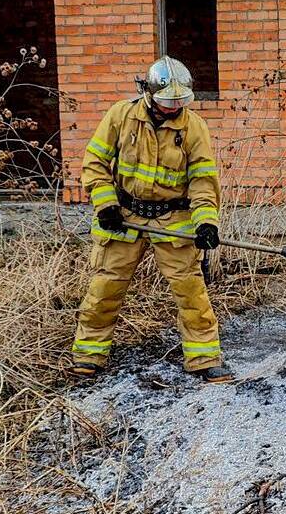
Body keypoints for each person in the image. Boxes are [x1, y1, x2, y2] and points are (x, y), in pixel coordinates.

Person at [68, 56, 233, 383]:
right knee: (105, 287)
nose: (173, 109)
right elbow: (94, 162)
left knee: (190, 290)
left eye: (178, 103)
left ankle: (204, 357)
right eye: (167, 102)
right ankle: (89, 354)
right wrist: (106, 204)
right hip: (124, 216)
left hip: (174, 218)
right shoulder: (121, 115)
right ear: (149, 93)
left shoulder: (193, 126)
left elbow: (202, 180)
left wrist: (206, 223)